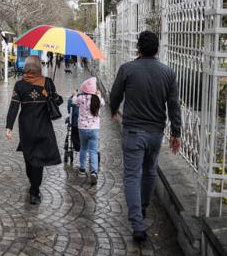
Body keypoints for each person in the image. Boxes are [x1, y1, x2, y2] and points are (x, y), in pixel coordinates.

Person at [110, 30, 181, 243]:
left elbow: (115, 95)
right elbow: (174, 106)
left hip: (133, 131)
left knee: (132, 175)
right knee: (150, 171)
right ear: (157, 49)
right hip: (155, 133)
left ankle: (137, 224)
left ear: (137, 48)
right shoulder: (168, 73)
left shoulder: (127, 69)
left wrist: (114, 109)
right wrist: (176, 133)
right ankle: (142, 207)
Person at [5, 56, 63, 205]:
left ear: (26, 67)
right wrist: (51, 95)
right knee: (38, 160)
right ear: (39, 67)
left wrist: (9, 127)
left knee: (29, 158)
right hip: (43, 127)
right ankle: (34, 190)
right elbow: (58, 101)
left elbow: (14, 106)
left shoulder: (20, 85)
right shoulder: (47, 83)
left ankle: (34, 188)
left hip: (26, 128)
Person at [71, 77, 104, 185]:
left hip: (82, 129)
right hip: (94, 129)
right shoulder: (97, 99)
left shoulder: (81, 98)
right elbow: (102, 103)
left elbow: (73, 101)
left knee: (83, 148)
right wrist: (98, 94)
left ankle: (82, 169)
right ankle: (94, 171)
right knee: (93, 150)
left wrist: (74, 93)